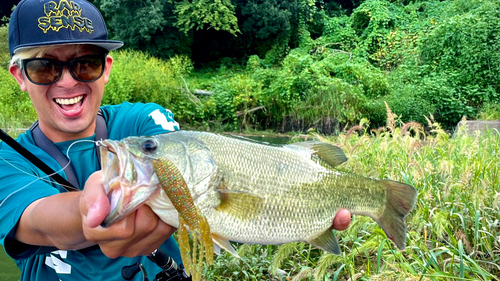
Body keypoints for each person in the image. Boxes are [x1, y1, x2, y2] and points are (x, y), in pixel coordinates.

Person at [0, 0, 351, 280]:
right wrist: (86, 211)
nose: (67, 82)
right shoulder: (7, 158)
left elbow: (193, 164)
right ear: (19, 75)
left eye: (85, 64)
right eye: (44, 67)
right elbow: (40, 223)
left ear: (106, 67)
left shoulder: (142, 122)